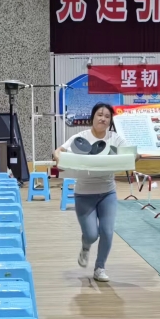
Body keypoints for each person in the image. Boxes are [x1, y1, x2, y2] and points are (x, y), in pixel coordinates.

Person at [53, 103, 134, 282]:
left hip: (108, 193)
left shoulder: (115, 138)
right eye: (100, 114)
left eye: (107, 116)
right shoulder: (80, 137)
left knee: (107, 232)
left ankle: (100, 268)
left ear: (110, 121)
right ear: (93, 117)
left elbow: (130, 153)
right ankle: (85, 246)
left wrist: (136, 156)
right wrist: (58, 155)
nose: (103, 119)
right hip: (84, 194)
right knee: (91, 235)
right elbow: (59, 150)